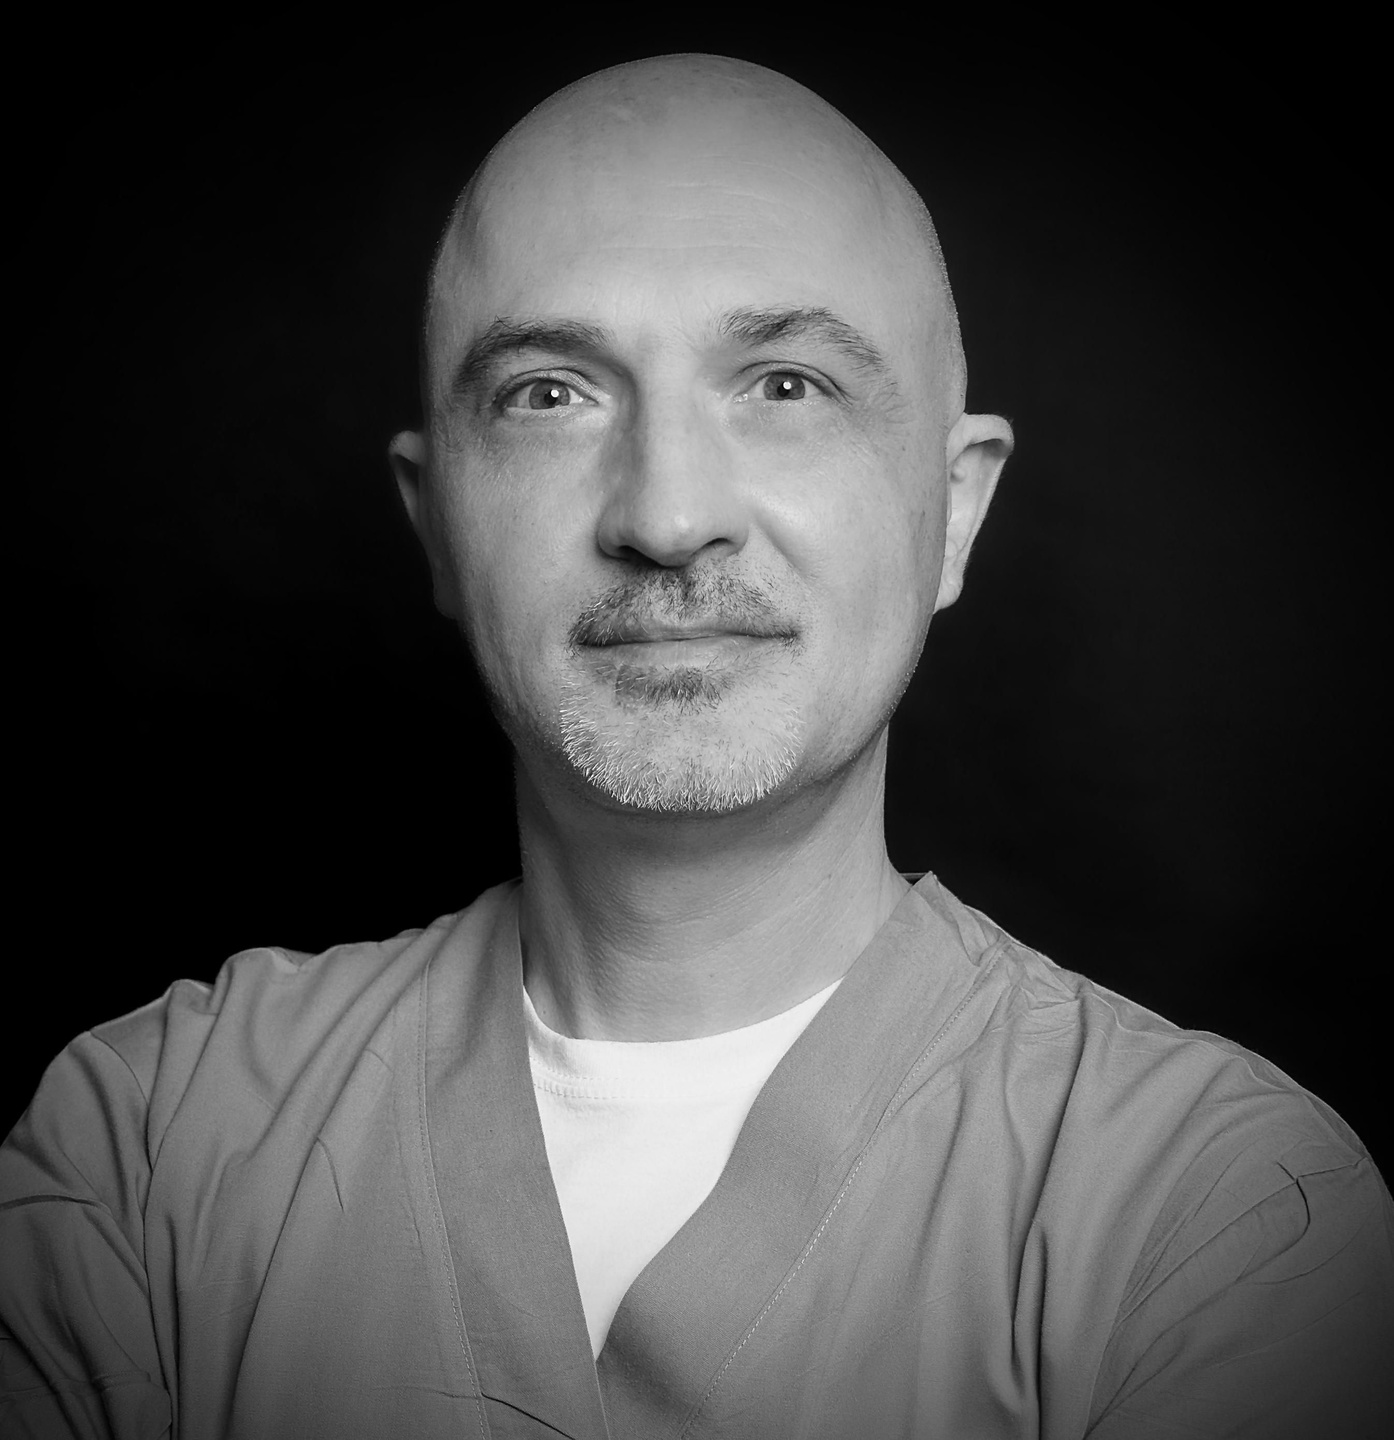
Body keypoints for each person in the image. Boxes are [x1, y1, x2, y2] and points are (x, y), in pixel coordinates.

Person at [2, 51, 1390, 1440]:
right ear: (435, 526)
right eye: (551, 393)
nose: (667, 517)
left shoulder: (1217, 1212)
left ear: (955, 511)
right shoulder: (144, 1148)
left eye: (785, 384)